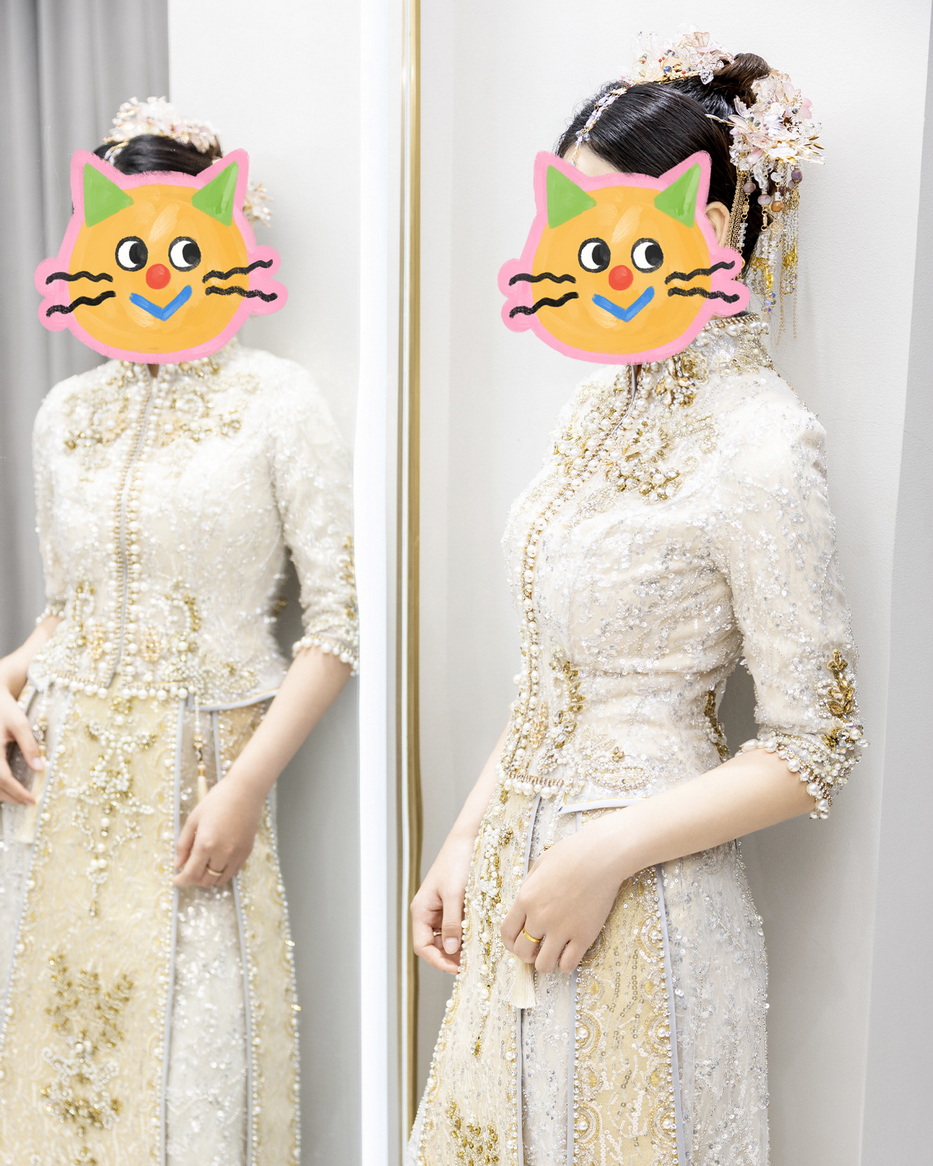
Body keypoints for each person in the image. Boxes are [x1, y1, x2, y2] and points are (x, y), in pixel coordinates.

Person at [408, 36, 864, 1166]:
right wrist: (465, 835)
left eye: (615, 223)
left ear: (709, 225)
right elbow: (550, 675)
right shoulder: (593, 410)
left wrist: (599, 856)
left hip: (643, 900)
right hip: (522, 868)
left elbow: (814, 744)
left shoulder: (761, 442)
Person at [0, 99, 357, 1166]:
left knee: (187, 1078)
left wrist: (244, 786)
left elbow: (336, 624)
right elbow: (68, 603)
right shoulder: (65, 413)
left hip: (195, 776)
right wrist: (6, 675)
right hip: (53, 770)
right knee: (43, 1057)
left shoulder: (274, 401)